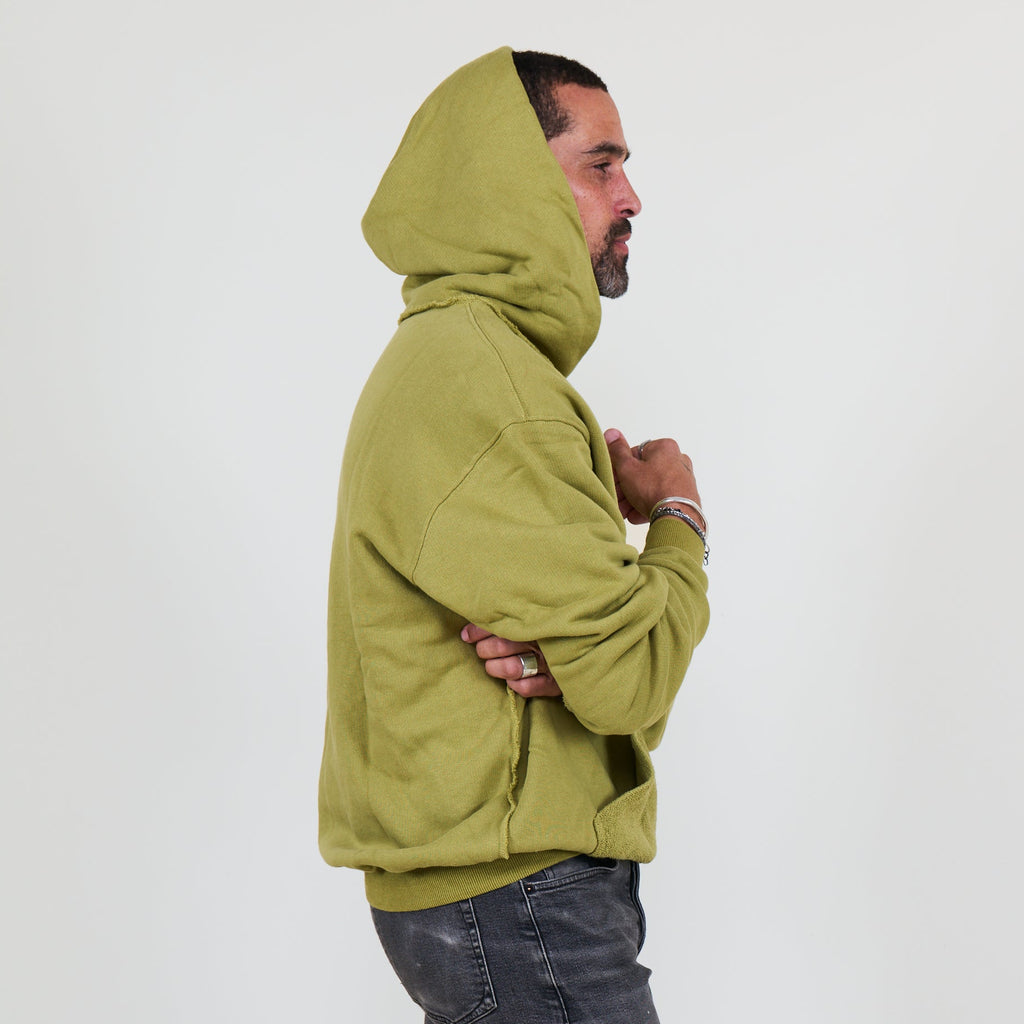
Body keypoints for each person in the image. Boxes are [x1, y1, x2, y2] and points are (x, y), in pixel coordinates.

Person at [319, 47, 710, 1022]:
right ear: (511, 180)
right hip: (520, 895)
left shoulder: (458, 360)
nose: (630, 198)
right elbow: (631, 675)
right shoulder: (494, 389)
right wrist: (678, 515)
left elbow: (604, 671)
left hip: (490, 888)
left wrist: (577, 652)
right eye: (600, 166)